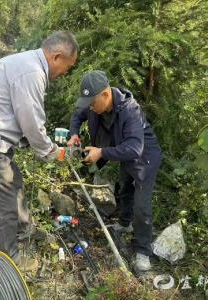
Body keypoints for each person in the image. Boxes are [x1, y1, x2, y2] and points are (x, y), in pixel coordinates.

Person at [0, 31, 78, 268]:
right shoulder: (32, 72)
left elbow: (18, 117)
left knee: (15, 184)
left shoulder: (28, 64)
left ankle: (25, 231)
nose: (65, 73)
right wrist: (53, 152)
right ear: (57, 57)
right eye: (68, 67)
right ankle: (10, 265)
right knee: (2, 207)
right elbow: (31, 121)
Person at [67, 70, 162, 272]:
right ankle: (125, 223)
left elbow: (135, 148)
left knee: (141, 206)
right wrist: (74, 134)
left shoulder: (130, 111)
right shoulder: (94, 106)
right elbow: (77, 114)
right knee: (124, 189)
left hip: (144, 158)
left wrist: (101, 152)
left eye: (92, 103)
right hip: (123, 154)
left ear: (106, 95)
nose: (90, 108)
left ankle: (143, 251)